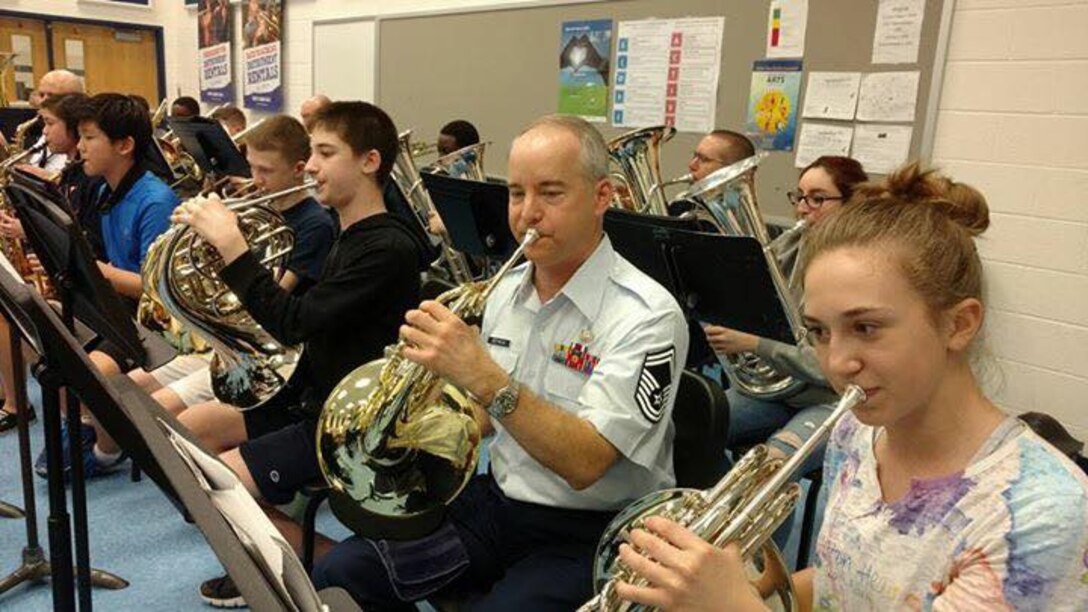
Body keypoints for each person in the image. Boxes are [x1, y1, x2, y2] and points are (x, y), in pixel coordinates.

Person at [614, 162, 1088, 611]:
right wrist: (725, 588)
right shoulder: (859, 434)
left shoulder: (1041, 511)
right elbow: (840, 582)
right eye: (819, 331)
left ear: (959, 325)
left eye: (866, 328)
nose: (837, 363)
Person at [311, 114, 689, 611]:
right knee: (344, 573)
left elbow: (587, 463)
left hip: (595, 529)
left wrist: (482, 376)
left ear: (603, 197)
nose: (527, 214)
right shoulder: (506, 292)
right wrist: (413, 415)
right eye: (516, 193)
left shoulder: (646, 314)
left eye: (551, 193)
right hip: (501, 503)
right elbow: (485, 418)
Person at [171, 101, 425, 608]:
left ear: (370, 161)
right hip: (310, 395)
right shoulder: (346, 232)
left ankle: (327, 569)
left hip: (348, 422)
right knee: (189, 438)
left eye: (325, 153)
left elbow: (293, 322)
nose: (309, 166)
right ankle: (266, 553)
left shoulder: (387, 247)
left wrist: (230, 245)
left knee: (216, 490)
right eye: (311, 152)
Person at [124, 114, 336, 432]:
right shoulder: (253, 207)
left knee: (163, 410)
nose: (255, 179)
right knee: (129, 389)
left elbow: (270, 300)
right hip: (218, 342)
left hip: (267, 349)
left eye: (266, 170)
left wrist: (226, 243)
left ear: (298, 169)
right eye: (252, 167)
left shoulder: (314, 224)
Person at [32, 93, 178, 478]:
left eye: (89, 137)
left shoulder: (156, 201)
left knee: (89, 368)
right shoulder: (103, 189)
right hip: (113, 306)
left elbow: (158, 291)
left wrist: (95, 272)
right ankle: (81, 423)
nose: (79, 148)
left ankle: (107, 450)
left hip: (150, 320)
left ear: (124, 145)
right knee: (48, 342)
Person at [705, 156, 868, 481]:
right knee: (692, 428)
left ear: (851, 204)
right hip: (775, 392)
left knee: (772, 469)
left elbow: (831, 365)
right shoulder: (790, 245)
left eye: (817, 198)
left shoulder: (860, 271)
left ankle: (752, 530)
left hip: (829, 400)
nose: (803, 208)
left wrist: (755, 344)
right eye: (799, 197)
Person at [26, 69, 85, 172]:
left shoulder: (76, 143)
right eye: (41, 95)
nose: (43, 101)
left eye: (52, 96)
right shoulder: (48, 130)